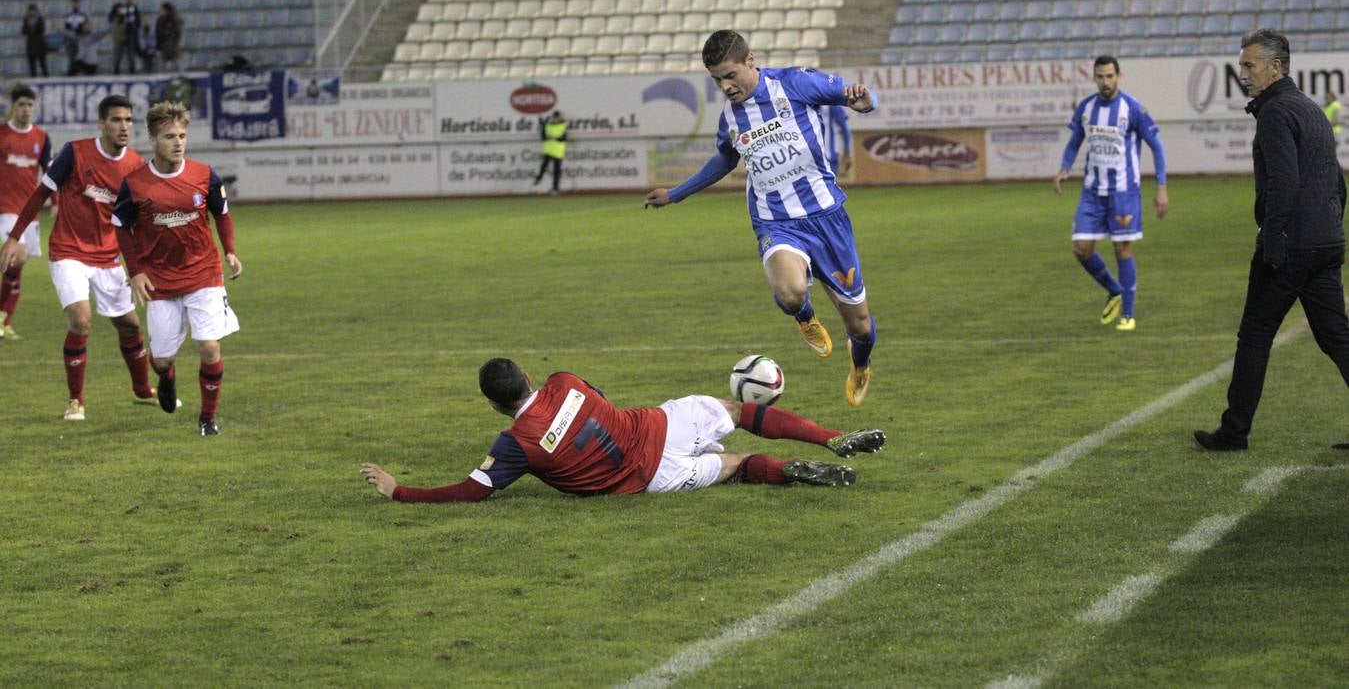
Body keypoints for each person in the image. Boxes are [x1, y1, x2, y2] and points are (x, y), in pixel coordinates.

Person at [643, 30, 879, 406]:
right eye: (717, 80)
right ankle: (804, 316)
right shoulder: (730, 117)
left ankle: (861, 363)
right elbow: (724, 159)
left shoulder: (795, 83)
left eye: (730, 75)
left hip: (827, 217)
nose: (725, 86)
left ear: (750, 61)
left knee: (861, 326)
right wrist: (676, 194)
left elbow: (854, 96)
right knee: (789, 291)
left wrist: (867, 102)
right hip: (776, 221)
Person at [360, 357, 886, 503]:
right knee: (737, 411)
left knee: (737, 465)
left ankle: (789, 470)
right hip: (660, 425)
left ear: (495, 406)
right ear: (528, 377)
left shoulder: (515, 444)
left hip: (651, 477)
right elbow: (597, 399)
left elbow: (472, 491)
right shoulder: (564, 381)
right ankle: (830, 437)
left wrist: (400, 490)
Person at [1195, 29, 1349, 452]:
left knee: (1256, 334)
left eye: (1250, 65)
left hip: (1292, 246)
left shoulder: (1276, 113)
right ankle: (1233, 430)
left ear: (1276, 67)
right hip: (1326, 242)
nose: (1243, 74)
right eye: (1241, 66)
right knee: (1337, 337)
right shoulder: (1311, 109)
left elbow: (1284, 182)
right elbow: (1337, 180)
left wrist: (1274, 236)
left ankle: (1234, 433)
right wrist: (1330, 226)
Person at [0, 95, 155, 421]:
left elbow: (138, 222)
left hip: (108, 257)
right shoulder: (75, 152)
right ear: (101, 124)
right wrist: (14, 236)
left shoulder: (136, 166)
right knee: (81, 320)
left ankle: (142, 390)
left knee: (129, 325)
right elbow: (40, 194)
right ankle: (76, 401)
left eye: (128, 120)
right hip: (68, 251)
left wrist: (140, 266)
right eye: (116, 120)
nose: (124, 126)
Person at [112, 101, 242, 437]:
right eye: (170, 137)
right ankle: (166, 378)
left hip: (204, 274)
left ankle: (207, 419)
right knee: (161, 360)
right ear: (153, 140)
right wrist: (135, 271)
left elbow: (222, 214)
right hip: (160, 281)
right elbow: (120, 227)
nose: (178, 142)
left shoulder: (204, 175)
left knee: (210, 347)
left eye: (182, 136)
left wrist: (229, 251)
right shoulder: (135, 184)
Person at [1052, 55, 1169, 331]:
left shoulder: (1133, 108)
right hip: (1092, 192)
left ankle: (1128, 314)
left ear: (1119, 76)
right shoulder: (1086, 108)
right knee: (1081, 248)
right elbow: (1074, 142)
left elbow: (1156, 146)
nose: (1105, 82)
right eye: (1100, 77)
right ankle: (1114, 290)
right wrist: (1064, 168)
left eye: (1109, 76)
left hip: (1123, 192)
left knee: (1122, 249)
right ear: (1094, 78)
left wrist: (1161, 187)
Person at [0, 84, 51, 340]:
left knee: (18, 266)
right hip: (5, 208)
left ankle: (4, 321)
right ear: (13, 107)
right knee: (17, 257)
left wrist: (56, 200)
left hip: (29, 211)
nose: (26, 109)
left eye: (30, 105)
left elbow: (50, 171)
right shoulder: (2, 134)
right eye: (21, 104)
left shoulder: (41, 137)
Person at [531, 110, 568, 194]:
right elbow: (543, 136)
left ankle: (555, 188)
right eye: (554, 117)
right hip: (549, 149)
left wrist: (554, 138)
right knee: (544, 166)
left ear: (560, 118)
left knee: (556, 171)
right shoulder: (548, 125)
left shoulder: (562, 126)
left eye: (557, 117)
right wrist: (543, 127)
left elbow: (564, 138)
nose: (556, 119)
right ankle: (539, 179)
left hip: (558, 151)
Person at [109, 0, 141, 75]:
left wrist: (135, 28)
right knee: (118, 52)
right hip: (121, 32)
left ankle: (132, 69)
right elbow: (111, 17)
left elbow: (138, 20)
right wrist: (115, 11)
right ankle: (116, 69)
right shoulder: (119, 6)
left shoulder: (134, 7)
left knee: (131, 52)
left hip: (131, 32)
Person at [819, 105, 853, 178]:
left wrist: (846, 151)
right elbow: (844, 128)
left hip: (829, 156)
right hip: (814, 156)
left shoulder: (831, 105)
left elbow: (844, 128)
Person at [62, 0, 88, 77]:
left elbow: (85, 27)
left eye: (77, 3)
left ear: (79, 4)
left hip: (79, 37)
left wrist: (81, 34)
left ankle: (79, 70)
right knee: (71, 54)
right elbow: (66, 27)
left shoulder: (82, 15)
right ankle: (71, 70)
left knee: (79, 55)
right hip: (71, 37)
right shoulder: (69, 16)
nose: (75, 5)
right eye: (74, 3)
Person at [21, 4, 49, 78]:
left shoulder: (40, 19)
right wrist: (29, 26)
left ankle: (47, 81)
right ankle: (33, 81)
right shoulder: (26, 20)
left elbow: (42, 29)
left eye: (33, 10)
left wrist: (33, 26)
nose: (32, 12)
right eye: (31, 10)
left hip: (40, 46)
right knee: (32, 68)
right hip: (31, 47)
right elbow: (23, 31)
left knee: (43, 66)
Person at [155, 3, 183, 71]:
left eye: (162, 9)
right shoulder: (160, 20)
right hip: (163, 45)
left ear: (166, 10)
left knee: (176, 62)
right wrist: (158, 47)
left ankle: (180, 74)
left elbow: (178, 32)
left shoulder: (175, 19)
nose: (160, 11)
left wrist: (173, 39)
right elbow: (158, 33)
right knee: (163, 63)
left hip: (173, 45)